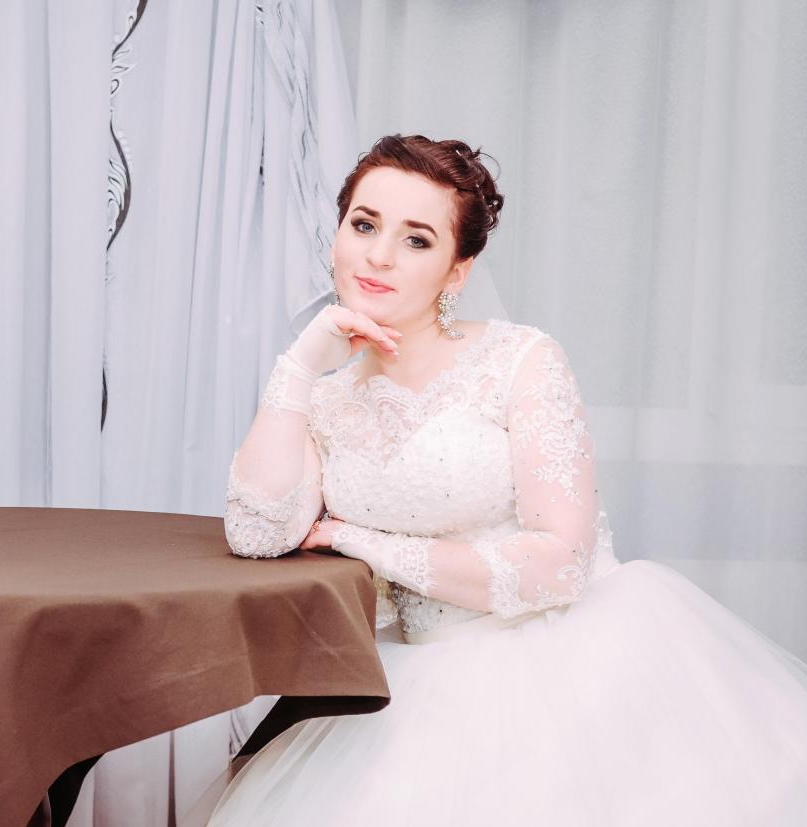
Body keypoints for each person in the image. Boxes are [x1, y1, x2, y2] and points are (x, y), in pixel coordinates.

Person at [209, 134, 807, 825]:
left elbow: (561, 562)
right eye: (364, 225)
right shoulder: (323, 400)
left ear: (456, 272)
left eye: (417, 239)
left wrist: (363, 543)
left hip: (567, 668)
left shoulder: (522, 360)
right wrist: (299, 364)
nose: (378, 255)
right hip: (409, 682)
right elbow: (256, 533)